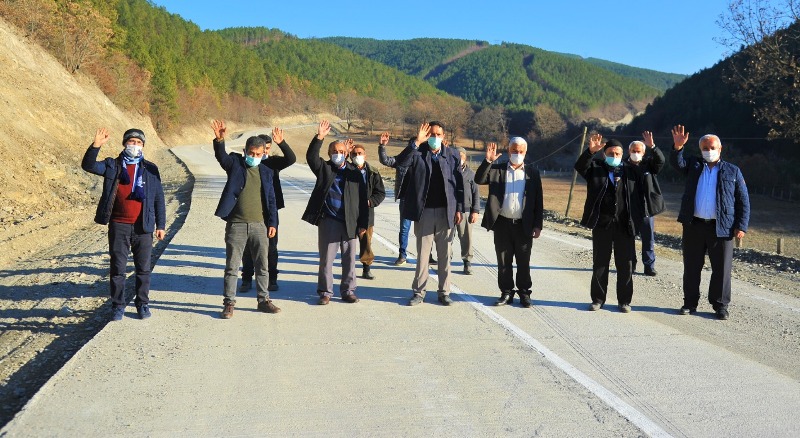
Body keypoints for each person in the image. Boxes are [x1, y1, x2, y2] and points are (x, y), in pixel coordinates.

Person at [81, 128, 166, 321]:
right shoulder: (113, 165)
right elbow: (89, 165)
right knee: (117, 269)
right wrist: (96, 146)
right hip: (119, 225)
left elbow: (159, 199)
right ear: (124, 143)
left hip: (143, 227)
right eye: (131, 142)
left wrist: (160, 225)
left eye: (138, 142)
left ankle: (142, 304)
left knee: (143, 269)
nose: (134, 145)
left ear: (143, 145)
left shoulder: (150, 169)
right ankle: (118, 305)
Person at [669, 125, 750, 320]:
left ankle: (720, 305)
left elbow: (743, 200)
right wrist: (678, 147)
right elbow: (676, 164)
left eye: (712, 147)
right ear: (700, 150)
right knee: (691, 267)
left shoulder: (733, 171)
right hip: (694, 225)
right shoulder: (693, 166)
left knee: (721, 270)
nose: (709, 151)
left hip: (722, 228)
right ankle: (689, 303)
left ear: (720, 149)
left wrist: (741, 225)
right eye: (705, 148)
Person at [212, 120, 279, 319]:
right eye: (251, 153)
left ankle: (263, 300)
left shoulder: (266, 172)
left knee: (262, 265)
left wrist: (273, 223)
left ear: (263, 154)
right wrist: (219, 139)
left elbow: (272, 199)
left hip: (260, 225)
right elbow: (221, 156)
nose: (255, 157)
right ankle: (229, 303)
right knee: (232, 266)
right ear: (245, 151)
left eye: (259, 154)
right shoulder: (235, 164)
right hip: (237, 225)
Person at [394, 121, 463, 306]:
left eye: (438, 134)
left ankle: (444, 292)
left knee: (445, 256)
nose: (434, 137)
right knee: (423, 256)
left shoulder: (452, 155)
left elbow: (459, 185)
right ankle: (419, 293)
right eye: (431, 134)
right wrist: (416, 142)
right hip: (424, 212)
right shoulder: (418, 153)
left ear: (444, 137)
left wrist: (459, 209)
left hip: (445, 212)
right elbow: (401, 163)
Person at [575, 134, 644, 313]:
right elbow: (580, 166)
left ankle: (624, 301)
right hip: (602, 224)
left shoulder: (631, 171)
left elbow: (653, 169)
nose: (614, 156)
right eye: (611, 153)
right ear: (605, 154)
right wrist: (590, 152)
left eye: (618, 153)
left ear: (623, 154)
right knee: (600, 263)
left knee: (625, 265)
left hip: (624, 225)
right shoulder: (596, 168)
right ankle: (598, 299)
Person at [301, 120, 368, 305]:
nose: (338, 155)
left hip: (350, 222)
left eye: (341, 152)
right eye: (334, 152)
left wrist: (363, 223)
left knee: (349, 260)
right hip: (329, 221)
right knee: (326, 260)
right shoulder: (325, 168)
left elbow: (363, 201)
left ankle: (348, 290)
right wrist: (319, 137)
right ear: (329, 154)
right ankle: (325, 292)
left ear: (346, 154)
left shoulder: (355, 173)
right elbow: (311, 157)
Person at [475, 139, 543, 307]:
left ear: (525, 152)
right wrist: (488, 161)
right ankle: (506, 292)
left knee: (523, 261)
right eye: (514, 150)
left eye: (520, 151)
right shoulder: (497, 170)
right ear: (508, 150)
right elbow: (479, 179)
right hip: (502, 223)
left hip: (523, 225)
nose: (517, 154)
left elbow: (538, 202)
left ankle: (524, 293)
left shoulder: (532, 173)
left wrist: (537, 225)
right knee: (504, 261)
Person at [239, 129, 296, 293]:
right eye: (264, 148)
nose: (265, 152)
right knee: (248, 247)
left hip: (270, 210)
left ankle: (272, 279)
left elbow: (291, 159)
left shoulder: (272, 163)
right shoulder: (246, 162)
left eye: (267, 148)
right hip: (251, 208)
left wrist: (282, 143)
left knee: (271, 247)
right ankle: (246, 279)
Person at [626, 131, 665, 276]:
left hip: (646, 209)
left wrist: (653, 147)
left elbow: (661, 160)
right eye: (633, 151)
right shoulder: (622, 166)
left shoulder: (649, 166)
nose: (636, 153)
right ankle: (630, 265)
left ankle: (649, 266)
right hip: (628, 209)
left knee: (648, 240)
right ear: (629, 151)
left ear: (643, 152)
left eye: (638, 151)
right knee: (629, 239)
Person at [351, 143, 386, 280]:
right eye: (354, 154)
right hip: (349, 212)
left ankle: (366, 268)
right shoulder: (346, 170)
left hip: (367, 213)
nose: (357, 156)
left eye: (360, 153)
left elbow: (380, 193)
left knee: (366, 241)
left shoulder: (373, 172)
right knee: (347, 242)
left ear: (365, 155)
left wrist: (370, 202)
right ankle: (347, 269)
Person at [378, 131, 412, 266]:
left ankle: (429, 255)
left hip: (422, 200)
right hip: (405, 199)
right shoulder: (401, 160)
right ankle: (402, 254)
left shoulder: (424, 161)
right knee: (404, 228)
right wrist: (382, 146)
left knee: (425, 231)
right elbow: (385, 160)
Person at [454, 146, 480, 275]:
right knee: (446, 238)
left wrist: (475, 210)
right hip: (450, 210)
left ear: (465, 157)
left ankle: (467, 262)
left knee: (466, 237)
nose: (460, 158)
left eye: (462, 156)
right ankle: (445, 261)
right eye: (457, 156)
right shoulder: (449, 171)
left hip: (466, 210)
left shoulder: (471, 174)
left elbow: (476, 193)